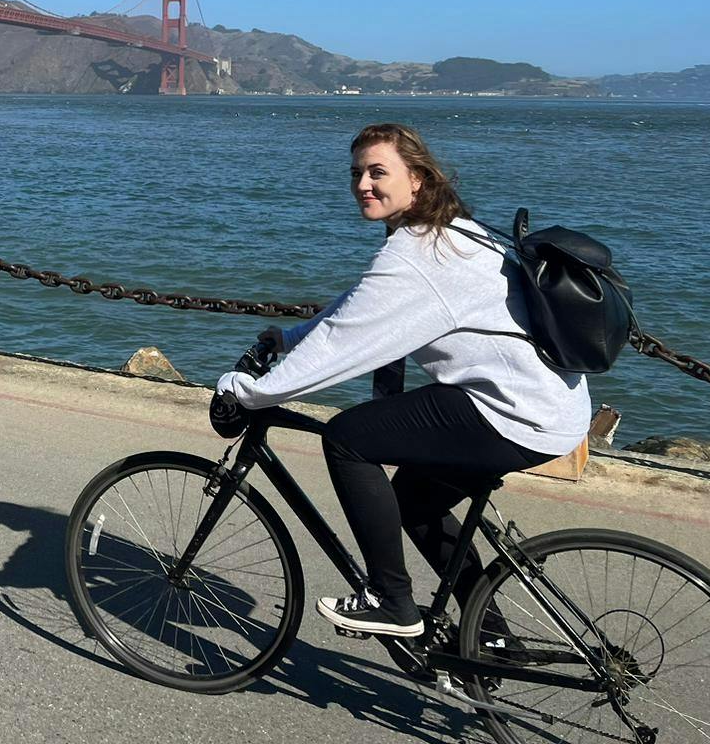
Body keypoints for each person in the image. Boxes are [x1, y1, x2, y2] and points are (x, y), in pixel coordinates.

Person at [215, 123, 590, 638]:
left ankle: (391, 602)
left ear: (417, 179)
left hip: (514, 413)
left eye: (377, 172)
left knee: (348, 439)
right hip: (545, 405)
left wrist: (249, 392)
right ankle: (491, 638)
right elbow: (363, 307)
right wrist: (293, 335)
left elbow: (344, 345)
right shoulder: (452, 230)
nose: (363, 184)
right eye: (356, 174)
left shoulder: (417, 254)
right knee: (413, 502)